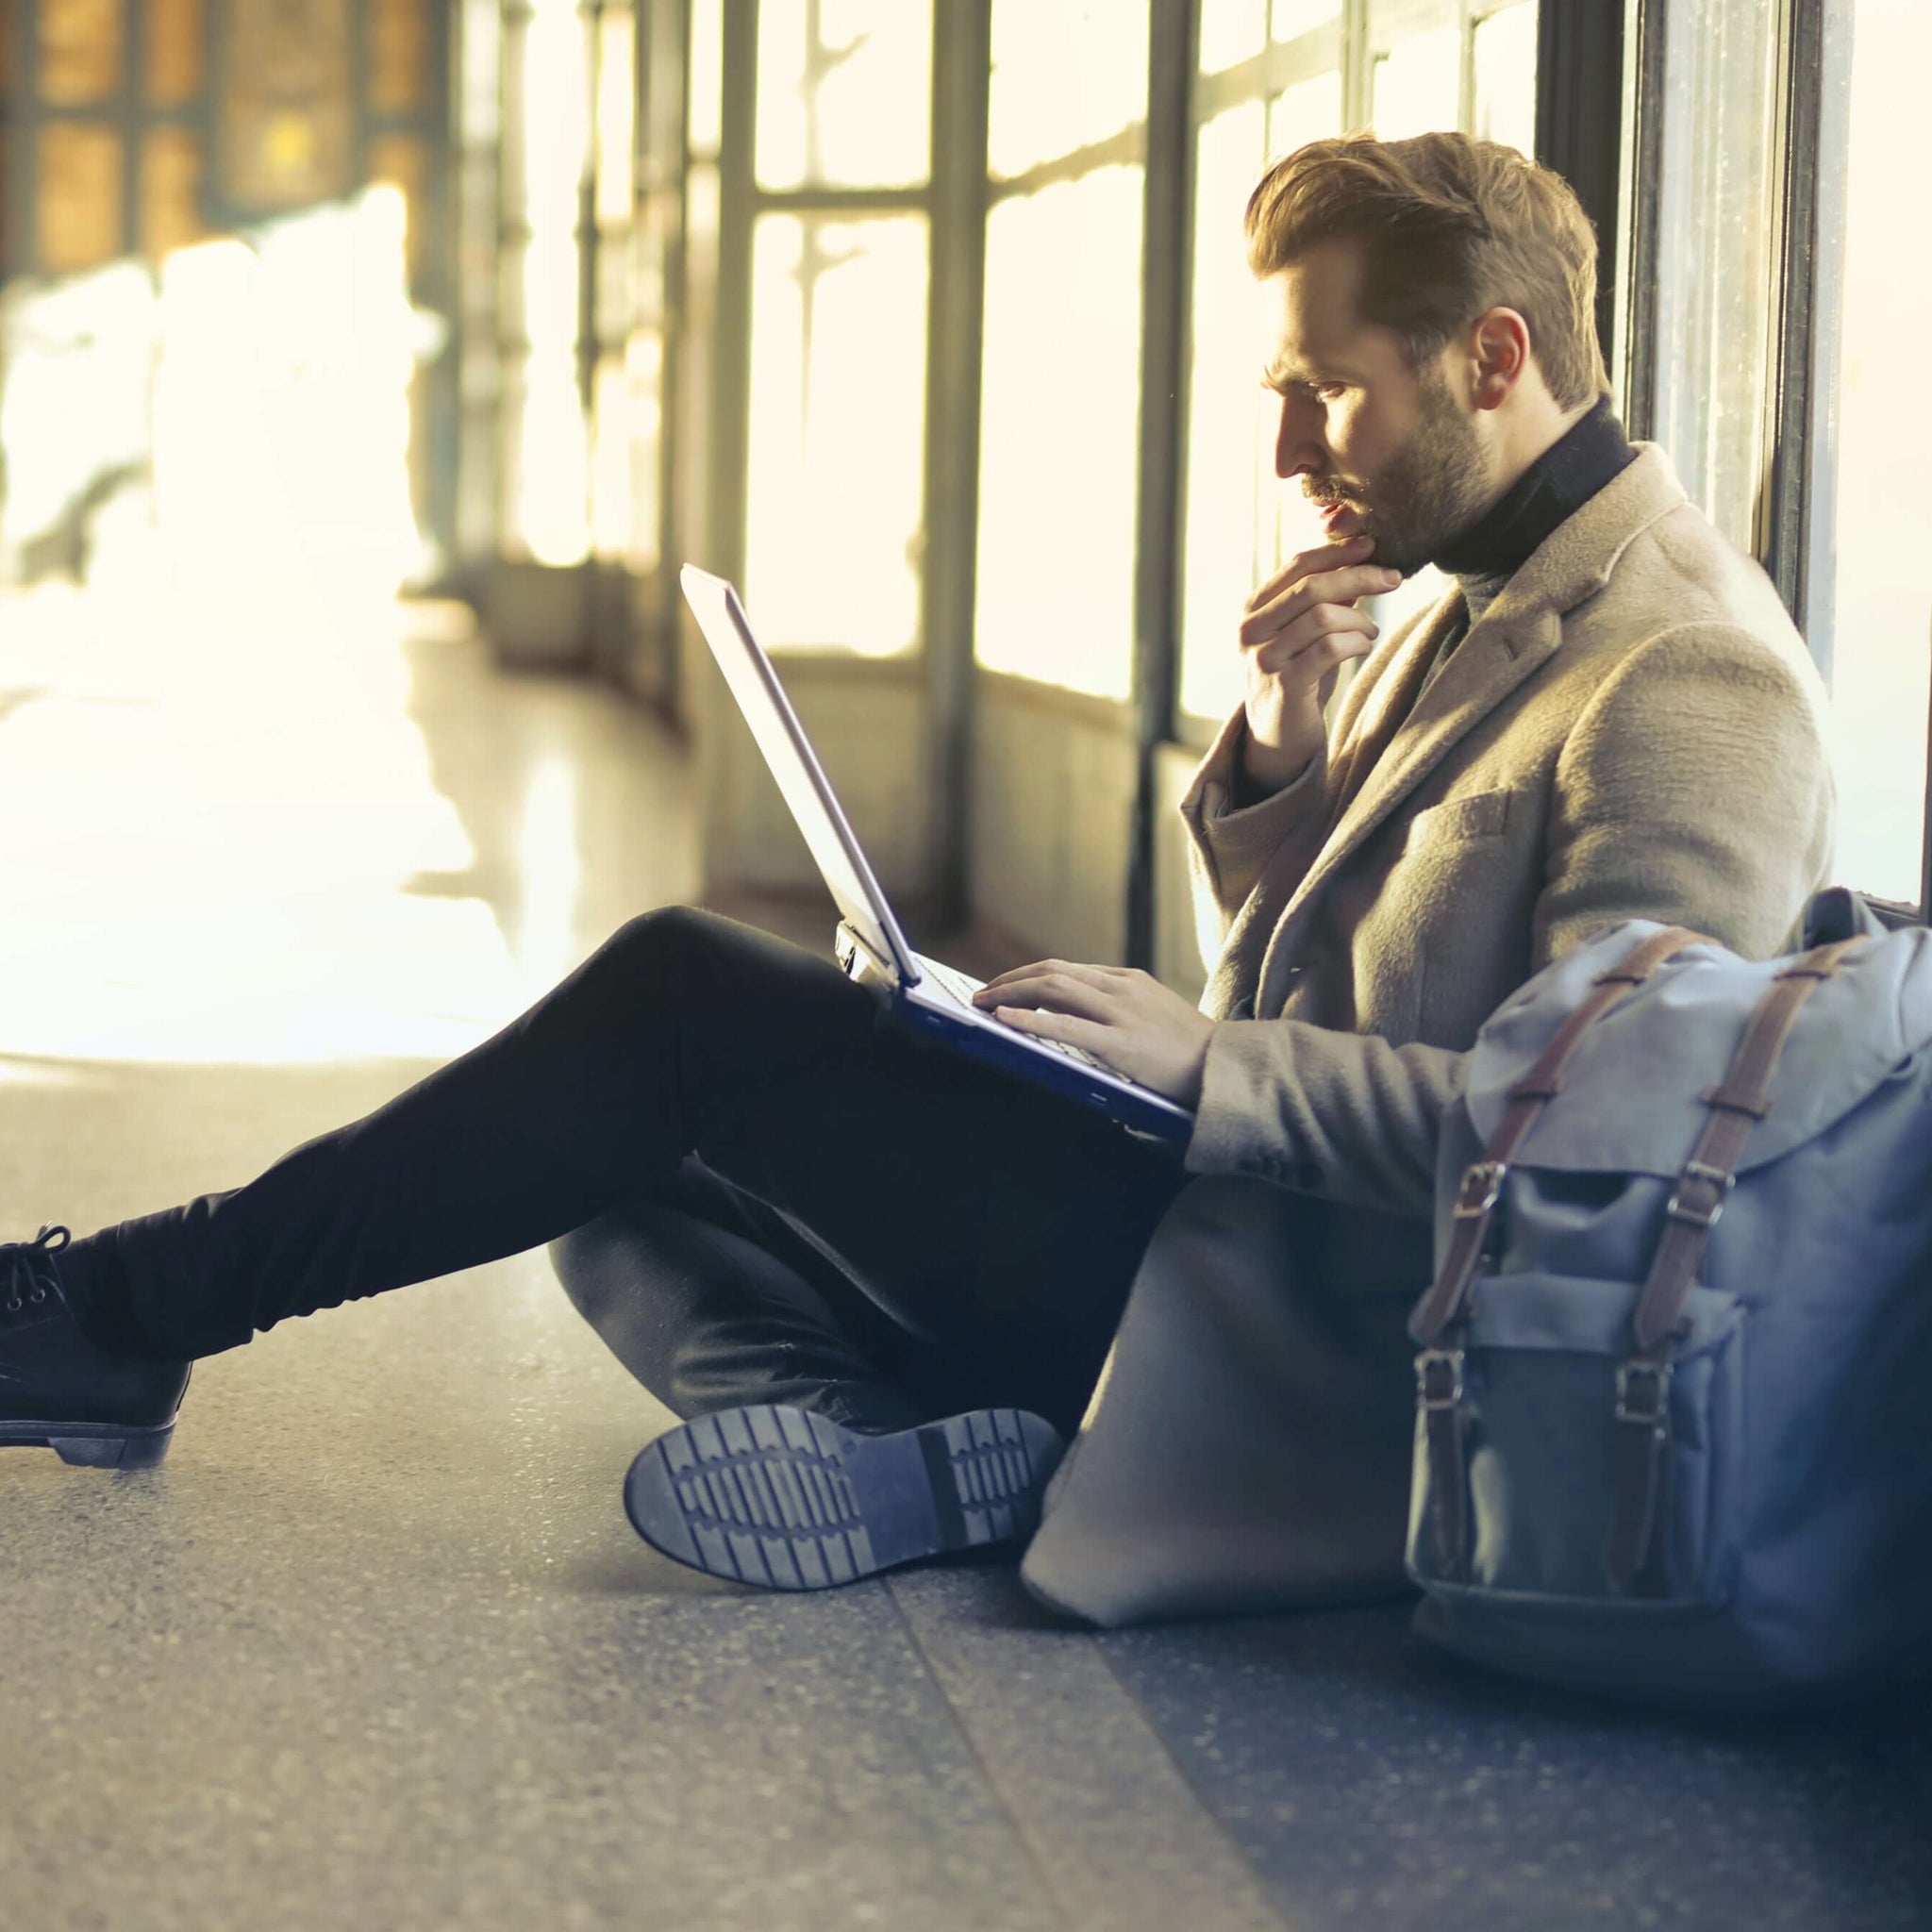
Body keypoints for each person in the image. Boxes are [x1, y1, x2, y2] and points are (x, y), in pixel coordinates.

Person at [0, 132, 1832, 1602]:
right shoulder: (1464, 595)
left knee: (670, 1004)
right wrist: (1278, 748)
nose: (1289, 453)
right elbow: (1322, 971)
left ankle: (128, 1309)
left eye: (1323, 392)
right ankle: (900, 1441)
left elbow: (1609, 1155)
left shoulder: (1687, 672)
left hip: (1321, 1345)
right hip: (1207, 1229)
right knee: (609, 1172)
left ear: (1491, 357)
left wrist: (1200, 1068)